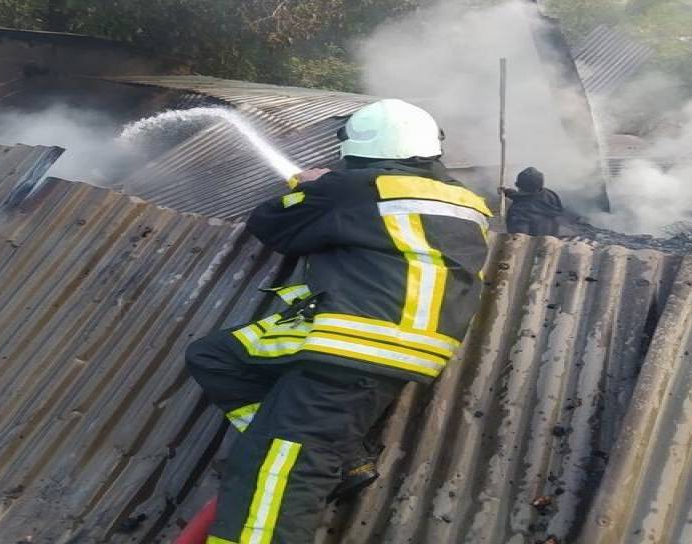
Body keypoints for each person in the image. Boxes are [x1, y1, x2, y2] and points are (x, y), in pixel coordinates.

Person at [185, 99, 491, 544]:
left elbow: (274, 225)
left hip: (354, 342)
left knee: (279, 468)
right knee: (216, 357)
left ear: (358, 148)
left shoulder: (356, 189)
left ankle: (306, 456)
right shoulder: (468, 202)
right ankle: (343, 459)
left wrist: (310, 184)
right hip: (407, 344)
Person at [500, 167, 578, 236]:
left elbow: (519, 238)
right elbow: (529, 198)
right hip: (551, 241)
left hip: (534, 248)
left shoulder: (518, 211)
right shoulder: (550, 196)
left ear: (519, 185)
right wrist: (508, 192)